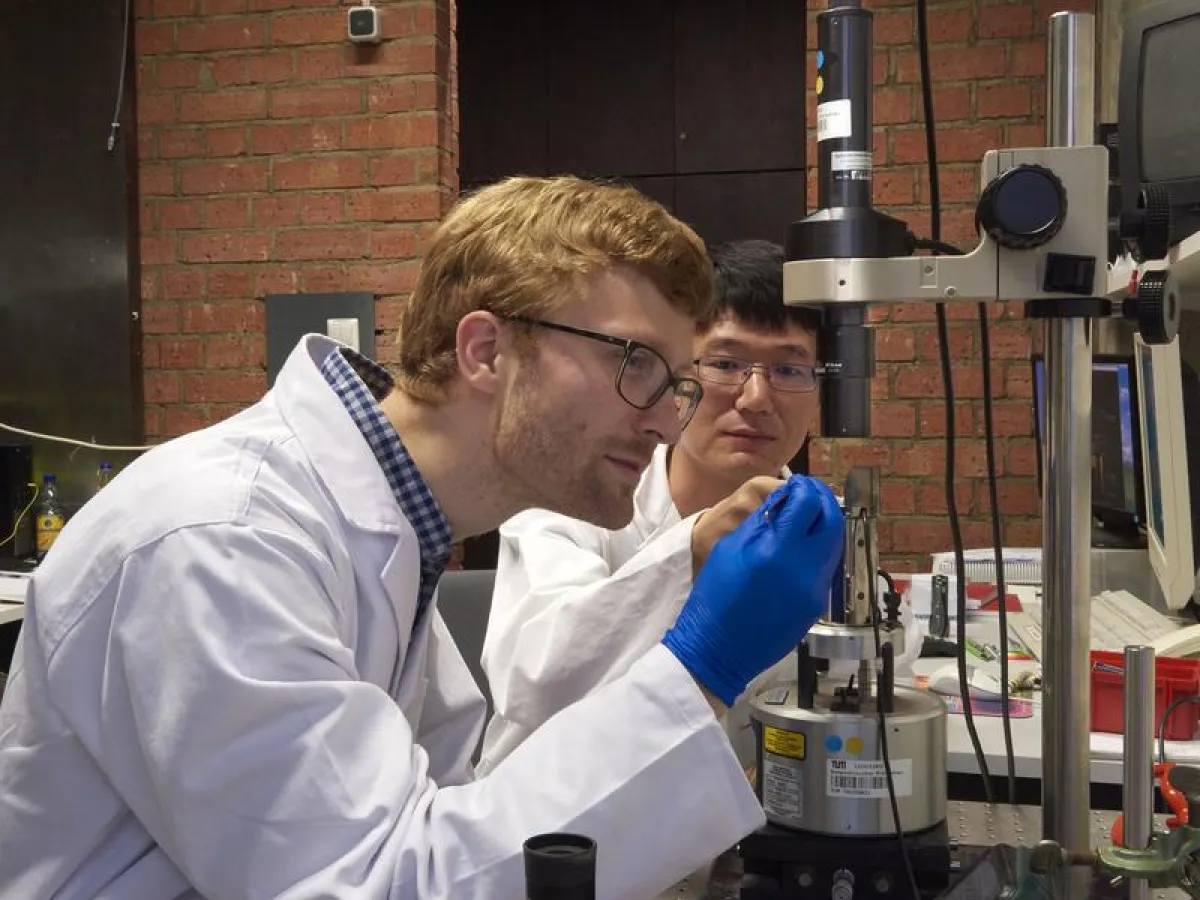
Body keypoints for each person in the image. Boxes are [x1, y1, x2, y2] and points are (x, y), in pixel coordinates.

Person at [0, 177, 845, 900]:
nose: (668, 419)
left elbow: (446, 822)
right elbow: (380, 883)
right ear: (485, 350)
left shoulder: (395, 535)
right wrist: (701, 664)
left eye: (676, 384)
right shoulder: (222, 540)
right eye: (636, 365)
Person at [478, 239, 823, 775]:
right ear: (679, 374)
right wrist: (693, 551)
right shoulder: (573, 491)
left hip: (736, 842)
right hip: (553, 834)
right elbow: (532, 677)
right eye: (726, 363)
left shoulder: (816, 533)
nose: (756, 398)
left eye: (790, 370)